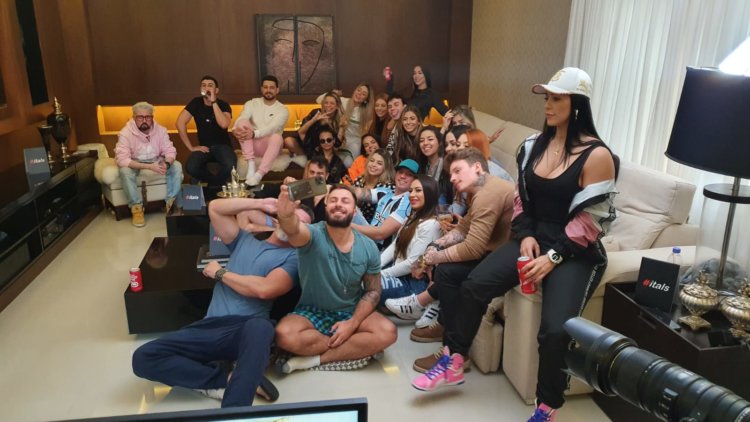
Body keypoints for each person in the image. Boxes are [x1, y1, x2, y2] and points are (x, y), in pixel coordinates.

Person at [412, 69, 617, 422]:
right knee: (474, 284)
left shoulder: (597, 156)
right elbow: (522, 200)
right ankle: (454, 359)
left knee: (556, 330)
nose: (548, 105)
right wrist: (527, 235)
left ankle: (546, 407)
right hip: (533, 237)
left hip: (575, 250)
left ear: (577, 104)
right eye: (546, 98)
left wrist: (554, 256)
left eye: (557, 98)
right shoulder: (532, 146)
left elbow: (593, 220)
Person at [132, 197, 313, 408]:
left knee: (262, 327)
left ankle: (233, 413)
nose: (293, 225)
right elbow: (215, 208)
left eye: (300, 224)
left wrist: (220, 273)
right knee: (143, 358)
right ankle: (228, 378)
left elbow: (265, 289)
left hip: (244, 329)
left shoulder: (293, 259)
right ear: (278, 219)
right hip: (209, 326)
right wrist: (259, 204)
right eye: (290, 217)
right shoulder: (244, 240)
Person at [385, 148, 514, 340]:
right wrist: (435, 246)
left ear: (477, 167)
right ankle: (432, 314)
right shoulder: (481, 191)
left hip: (504, 257)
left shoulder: (488, 194)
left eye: (457, 171)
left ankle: (435, 319)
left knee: (446, 269)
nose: (452, 178)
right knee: (445, 268)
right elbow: (463, 229)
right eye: (451, 173)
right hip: (493, 252)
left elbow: (473, 248)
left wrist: (431, 258)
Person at [274, 184, 397, 373]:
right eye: (333, 200)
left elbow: (373, 291)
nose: (338, 204)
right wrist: (285, 216)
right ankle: (356, 347)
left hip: (351, 310)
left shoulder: (368, 246)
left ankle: (315, 359)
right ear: (326, 207)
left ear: (354, 211)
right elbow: (294, 230)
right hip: (312, 311)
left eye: (345, 201)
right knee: (284, 335)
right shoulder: (313, 234)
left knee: (388, 332)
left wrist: (352, 324)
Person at [115, 101, 183, 228]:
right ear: (134, 117)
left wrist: (167, 163)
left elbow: (170, 151)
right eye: (140, 117)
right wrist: (149, 167)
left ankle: (171, 203)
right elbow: (122, 160)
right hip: (135, 162)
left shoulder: (161, 130)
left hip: (156, 159)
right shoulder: (125, 133)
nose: (144, 120)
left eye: (148, 117)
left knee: (177, 166)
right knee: (124, 171)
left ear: (152, 118)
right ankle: (136, 209)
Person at [379, 175, 441, 305]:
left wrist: (380, 274)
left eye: (418, 190)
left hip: (411, 284)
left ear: (429, 194)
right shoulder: (413, 218)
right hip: (397, 272)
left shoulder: (431, 224)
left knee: (367, 285)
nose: (412, 195)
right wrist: (377, 268)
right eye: (411, 190)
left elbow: (412, 264)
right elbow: (395, 246)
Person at [177, 75, 236, 187]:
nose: (206, 88)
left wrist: (214, 102)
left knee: (230, 165)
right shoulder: (196, 102)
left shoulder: (223, 105)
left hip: (223, 146)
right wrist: (191, 147)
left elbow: (224, 124)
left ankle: (213, 185)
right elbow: (180, 123)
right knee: (190, 167)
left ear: (216, 90)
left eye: (210, 85)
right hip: (204, 147)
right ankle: (216, 183)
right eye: (203, 85)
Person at [233, 75, 289, 186]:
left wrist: (254, 134)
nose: (268, 90)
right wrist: (235, 129)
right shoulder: (251, 103)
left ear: (277, 90)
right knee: (242, 122)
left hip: (272, 147)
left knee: (277, 137)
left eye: (272, 87)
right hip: (252, 146)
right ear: (262, 89)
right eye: (265, 87)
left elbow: (272, 128)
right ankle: (251, 164)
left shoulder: (283, 110)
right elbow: (243, 117)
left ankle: (259, 174)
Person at [351, 159, 418, 250]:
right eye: (400, 172)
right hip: (369, 239)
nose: (402, 176)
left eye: (409, 175)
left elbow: (381, 234)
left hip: (381, 250)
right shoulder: (386, 191)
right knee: (347, 204)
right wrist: (335, 188)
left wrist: (348, 226)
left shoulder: (407, 202)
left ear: (415, 181)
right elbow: (358, 192)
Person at [321, 83, 374, 166]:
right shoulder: (343, 101)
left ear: (366, 99)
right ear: (354, 91)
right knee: (332, 162)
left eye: (363, 94)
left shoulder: (367, 113)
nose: (359, 94)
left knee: (348, 163)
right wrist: (332, 93)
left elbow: (365, 133)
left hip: (355, 142)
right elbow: (319, 99)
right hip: (339, 138)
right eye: (358, 90)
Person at [284, 91, 344, 164]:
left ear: (337, 106)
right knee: (288, 141)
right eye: (326, 103)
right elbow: (301, 131)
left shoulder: (339, 119)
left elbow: (337, 144)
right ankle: (305, 156)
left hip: (323, 146)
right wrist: (314, 120)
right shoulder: (316, 112)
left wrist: (341, 127)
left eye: (332, 103)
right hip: (306, 141)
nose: (328, 105)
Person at [282, 157, 330, 223]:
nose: (314, 176)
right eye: (312, 172)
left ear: (326, 176)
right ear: (307, 173)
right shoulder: (298, 188)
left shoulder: (332, 192)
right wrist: (286, 185)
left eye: (319, 174)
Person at [351, 149, 395, 223]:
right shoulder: (360, 179)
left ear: (385, 168)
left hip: (373, 226)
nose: (373, 165)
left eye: (379, 163)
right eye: (372, 160)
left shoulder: (388, 187)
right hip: (354, 220)